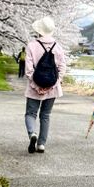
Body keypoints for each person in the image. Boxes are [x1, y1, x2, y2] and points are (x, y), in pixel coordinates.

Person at [24, 16, 67, 154]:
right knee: (46, 115)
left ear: (39, 30)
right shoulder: (58, 47)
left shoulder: (31, 46)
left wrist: (36, 87)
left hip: (34, 87)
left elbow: (28, 70)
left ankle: (32, 134)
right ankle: (41, 144)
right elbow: (62, 68)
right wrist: (52, 85)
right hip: (52, 88)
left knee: (31, 113)